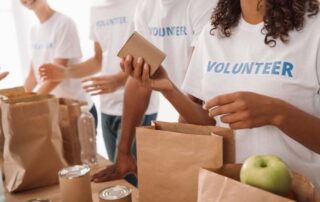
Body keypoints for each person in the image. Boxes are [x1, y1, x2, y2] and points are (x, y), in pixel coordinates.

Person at [120, 0, 320, 191]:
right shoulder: (213, 33)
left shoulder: (315, 28)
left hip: (299, 192)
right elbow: (209, 124)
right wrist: (169, 89)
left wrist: (277, 113)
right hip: (230, 191)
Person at [90, 0, 218, 183]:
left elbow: (196, 91)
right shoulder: (145, 7)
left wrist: (174, 149)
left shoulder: (203, 4)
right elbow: (140, 80)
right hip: (188, 112)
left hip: (216, 120)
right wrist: (123, 153)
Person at [38, 0, 155, 182]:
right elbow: (98, 61)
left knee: (138, 181)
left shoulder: (141, 5)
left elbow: (147, 57)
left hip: (139, 106)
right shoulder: (96, 11)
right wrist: (66, 72)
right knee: (119, 179)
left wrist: (119, 80)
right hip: (107, 106)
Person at [20, 0, 97, 123]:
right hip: (55, 112)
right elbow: (33, 76)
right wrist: (17, 100)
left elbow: (56, 76)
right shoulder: (34, 30)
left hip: (78, 111)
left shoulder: (64, 24)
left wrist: (27, 105)